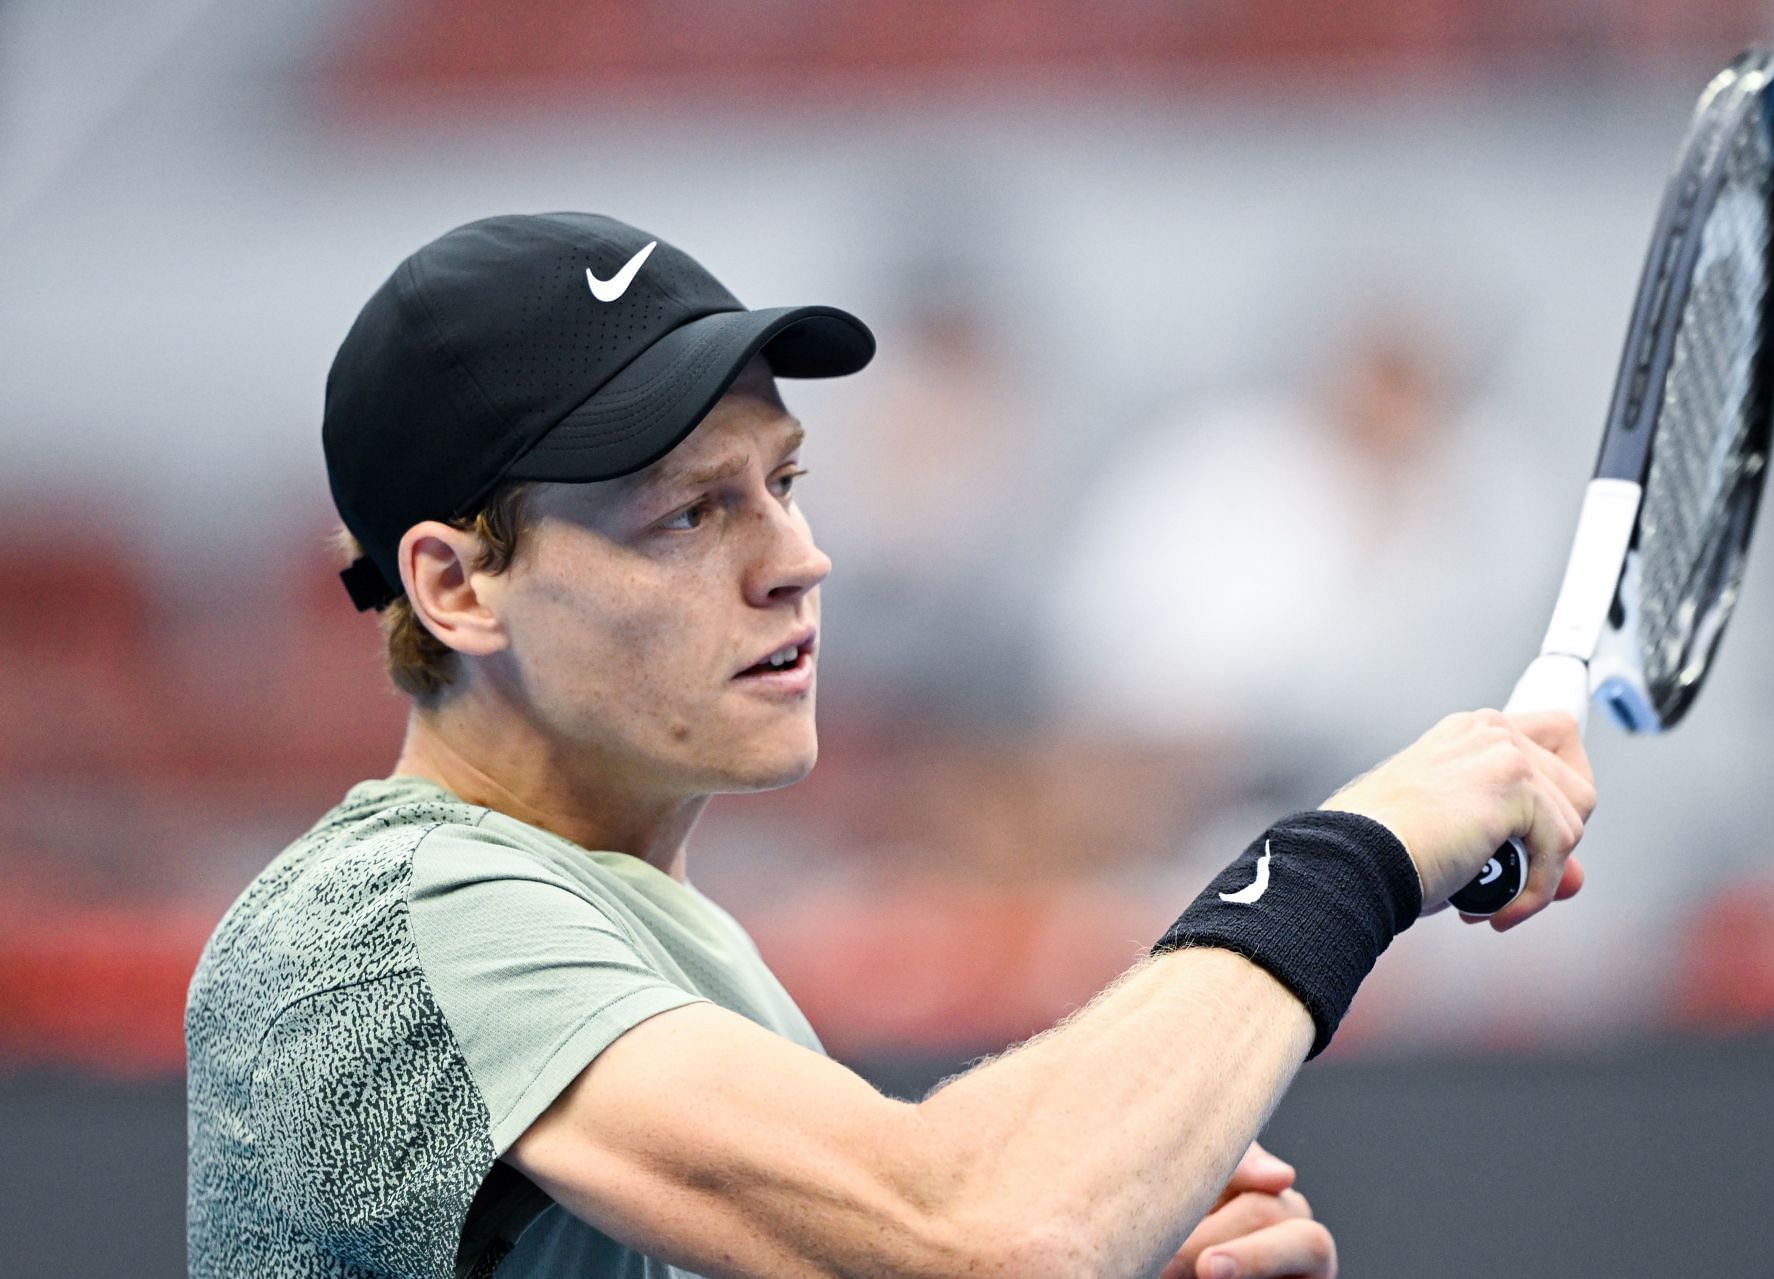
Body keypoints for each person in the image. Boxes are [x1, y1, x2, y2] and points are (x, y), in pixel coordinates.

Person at [184, 212, 1596, 1279]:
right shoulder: (391, 920)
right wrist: (1347, 855)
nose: (800, 559)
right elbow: (983, 1230)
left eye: (785, 483)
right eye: (690, 512)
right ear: (456, 586)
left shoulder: (661, 943)